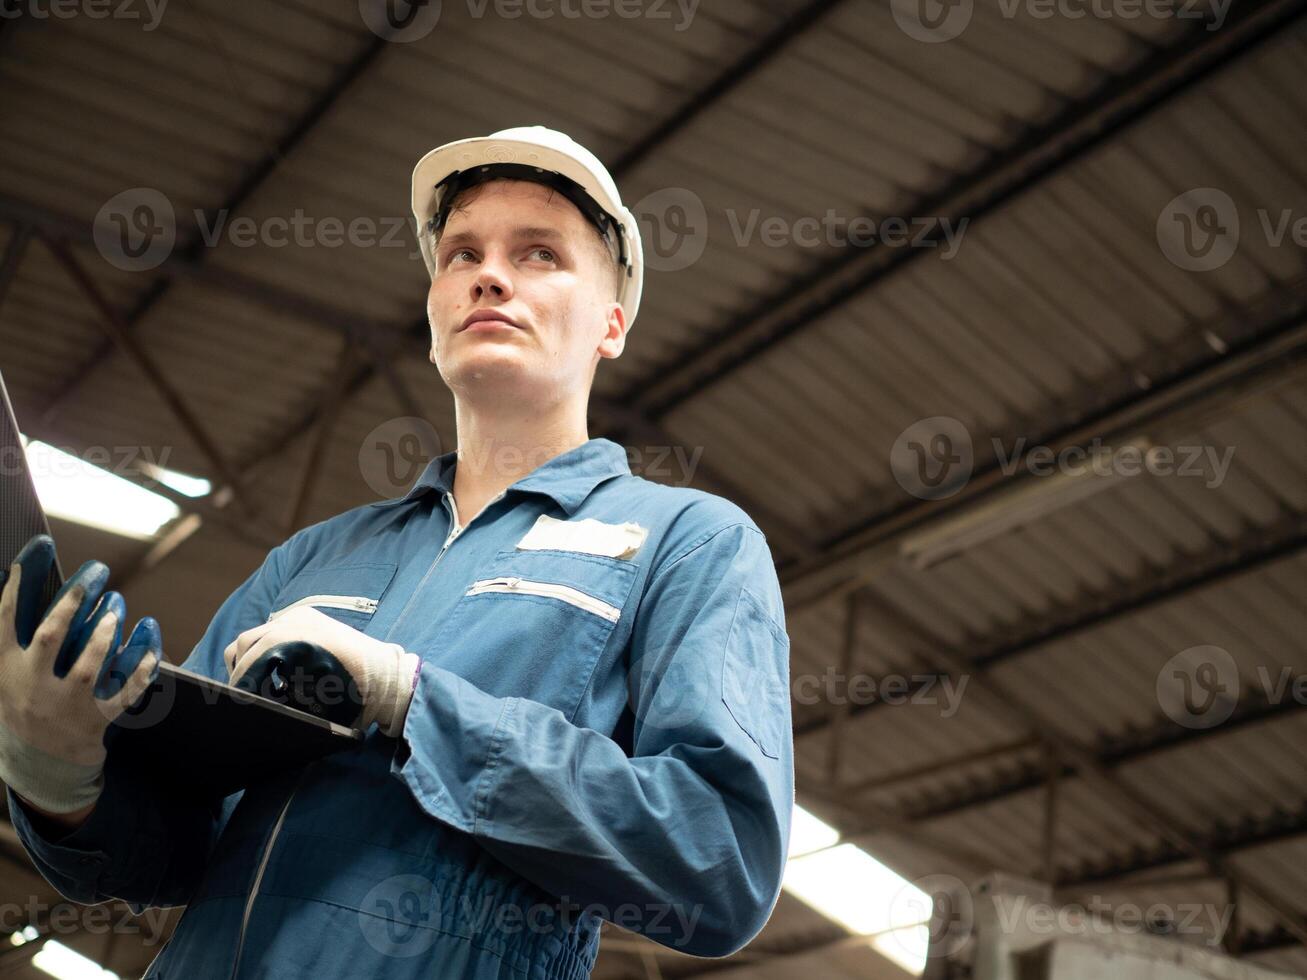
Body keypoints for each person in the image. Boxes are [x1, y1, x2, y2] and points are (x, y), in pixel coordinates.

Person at [0, 126, 794, 979]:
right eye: (462, 254)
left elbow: (722, 859)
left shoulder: (689, 542)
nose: (488, 274)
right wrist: (59, 770)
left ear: (611, 324)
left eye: (539, 255)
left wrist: (410, 697)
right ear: (433, 310)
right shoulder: (311, 560)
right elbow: (171, 854)